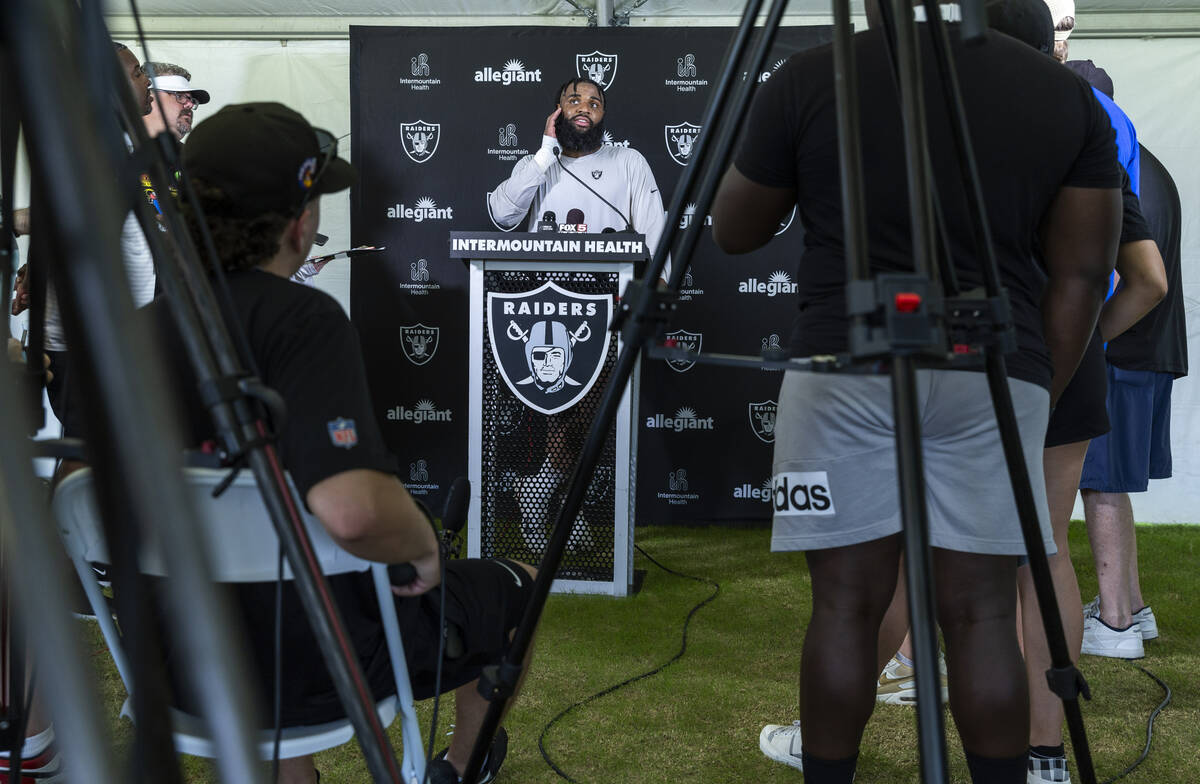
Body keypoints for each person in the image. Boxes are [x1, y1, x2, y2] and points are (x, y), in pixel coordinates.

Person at [710, 1, 1122, 781]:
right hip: (993, 369)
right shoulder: (1062, 94)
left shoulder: (810, 75)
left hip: (840, 370)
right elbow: (1080, 277)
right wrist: (1033, 394)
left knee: (843, 604)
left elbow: (733, 227)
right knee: (983, 610)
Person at [162, 102, 534, 784]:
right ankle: (461, 767)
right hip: (322, 665)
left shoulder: (123, 332)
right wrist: (422, 543)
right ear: (300, 225)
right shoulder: (305, 322)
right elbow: (354, 513)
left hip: (176, 664)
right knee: (521, 588)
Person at [487, 77, 667, 253]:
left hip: (612, 280)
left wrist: (659, 280)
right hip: (546, 281)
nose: (584, 109)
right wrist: (545, 154)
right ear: (558, 110)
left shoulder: (630, 161)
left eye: (594, 104)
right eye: (574, 101)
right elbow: (503, 215)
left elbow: (653, 231)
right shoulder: (534, 164)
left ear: (602, 115)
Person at [143, 61, 210, 140]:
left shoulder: (193, 152)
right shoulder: (125, 148)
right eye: (180, 96)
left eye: (192, 100)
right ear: (149, 96)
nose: (190, 105)